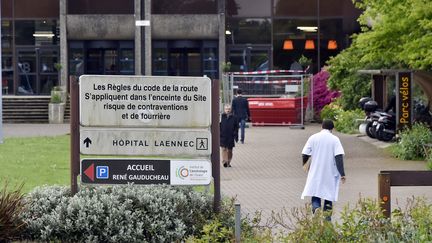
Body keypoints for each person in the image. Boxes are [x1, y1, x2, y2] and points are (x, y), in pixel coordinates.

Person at [301, 119, 346, 220]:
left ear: (321, 127)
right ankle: (327, 219)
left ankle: (316, 208)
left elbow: (305, 153)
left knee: (315, 192)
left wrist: (304, 164)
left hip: (316, 170)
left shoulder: (313, 138)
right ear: (332, 129)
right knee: (328, 196)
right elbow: (339, 157)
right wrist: (342, 173)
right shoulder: (335, 139)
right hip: (330, 172)